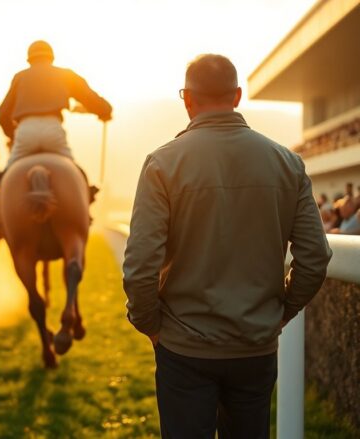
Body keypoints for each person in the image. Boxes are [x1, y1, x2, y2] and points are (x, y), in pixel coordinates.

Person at [122, 54, 332, 438]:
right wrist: (282, 311)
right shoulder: (288, 162)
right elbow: (316, 256)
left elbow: (139, 265)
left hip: (184, 348)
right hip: (255, 346)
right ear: (237, 96)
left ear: (187, 99)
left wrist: (148, 323)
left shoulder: (162, 163)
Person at [0, 40, 112, 173]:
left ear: (29, 59)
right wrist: (105, 111)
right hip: (53, 130)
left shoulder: (19, 77)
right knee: (75, 173)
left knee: (6, 176)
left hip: (25, 132)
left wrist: (13, 134)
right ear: (51, 57)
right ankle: (89, 192)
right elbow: (89, 97)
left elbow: (3, 112)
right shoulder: (64, 74)